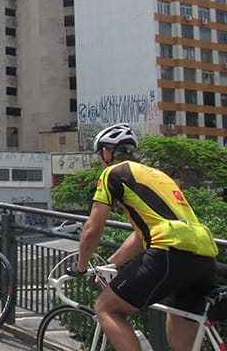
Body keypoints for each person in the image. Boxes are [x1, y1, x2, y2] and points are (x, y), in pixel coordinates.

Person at [69, 123, 217, 351]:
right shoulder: (158, 175)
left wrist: (80, 267)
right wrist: (112, 263)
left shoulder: (112, 173)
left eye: (101, 155)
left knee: (107, 308)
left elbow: (92, 230)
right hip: (204, 258)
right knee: (181, 339)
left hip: (168, 255)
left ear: (107, 153)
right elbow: (141, 236)